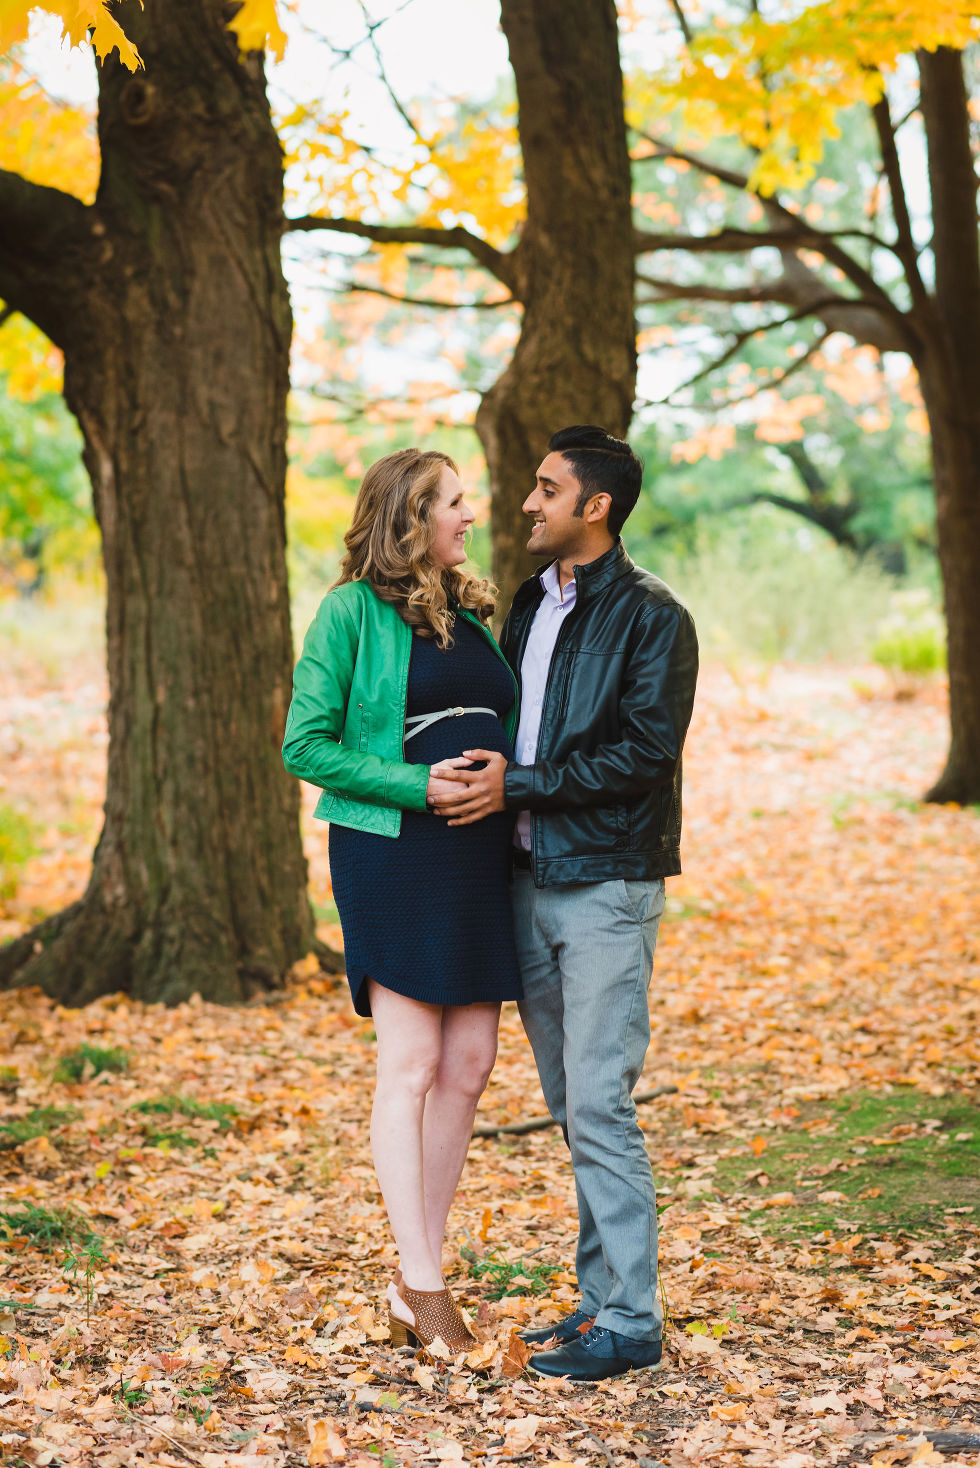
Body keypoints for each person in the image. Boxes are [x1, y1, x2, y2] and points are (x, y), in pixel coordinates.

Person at [431, 425, 698, 1381]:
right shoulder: (530, 606)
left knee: (599, 1100)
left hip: (604, 886)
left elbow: (643, 755)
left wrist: (521, 786)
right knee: (568, 1100)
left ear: (596, 508)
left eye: (548, 489)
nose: (528, 503)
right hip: (524, 880)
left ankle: (631, 1320)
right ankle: (599, 1303)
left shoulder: (654, 616)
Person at [282, 448, 522, 1355]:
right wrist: (418, 786)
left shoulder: (470, 607)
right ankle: (423, 1284)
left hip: (478, 858)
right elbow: (305, 746)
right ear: (410, 517)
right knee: (412, 1062)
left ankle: (410, 1273)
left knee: (470, 1062)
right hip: (394, 852)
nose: (472, 515)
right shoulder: (348, 612)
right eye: (455, 503)